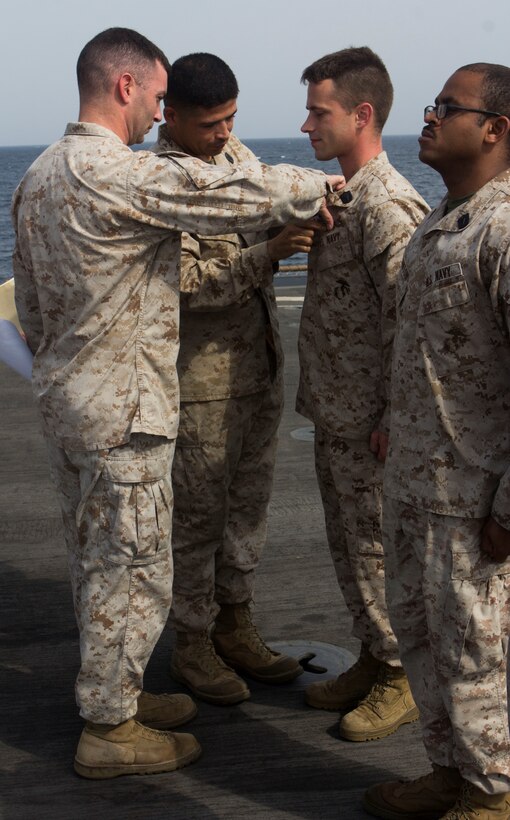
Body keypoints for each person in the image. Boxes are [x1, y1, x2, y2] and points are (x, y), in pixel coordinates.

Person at [11, 27, 343, 779]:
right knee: (133, 569)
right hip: (124, 413)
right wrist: (322, 188)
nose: (159, 114)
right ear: (126, 87)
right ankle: (110, 729)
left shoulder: (38, 176)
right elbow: (224, 189)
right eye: (159, 98)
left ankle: (115, 694)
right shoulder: (112, 172)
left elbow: (29, 307)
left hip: (74, 404)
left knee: (100, 563)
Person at [364, 63, 510, 819]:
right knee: (423, 642)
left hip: (473, 496)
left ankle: (492, 795)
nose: (426, 117)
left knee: (476, 657)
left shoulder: (503, 227)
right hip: (418, 484)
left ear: (494, 129)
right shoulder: (438, 221)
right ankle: (451, 772)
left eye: (446, 108)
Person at [153, 53, 314, 704]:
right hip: (201, 385)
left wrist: (292, 224)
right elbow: (184, 288)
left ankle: (234, 623)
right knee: (197, 522)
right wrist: (268, 254)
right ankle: (192, 643)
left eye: (231, 118)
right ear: (171, 115)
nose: (223, 133)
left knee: (247, 513)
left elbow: (267, 203)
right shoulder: (158, 183)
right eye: (210, 123)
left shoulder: (237, 160)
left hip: (258, 369)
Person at [297, 46, 429, 742]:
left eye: (320, 112)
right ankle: (375, 656)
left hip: (371, 422)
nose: (307, 124)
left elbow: (411, 326)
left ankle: (402, 673)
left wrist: (393, 417)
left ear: (362, 113)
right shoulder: (342, 197)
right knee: (349, 547)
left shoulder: (386, 207)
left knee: (376, 551)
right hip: (336, 411)